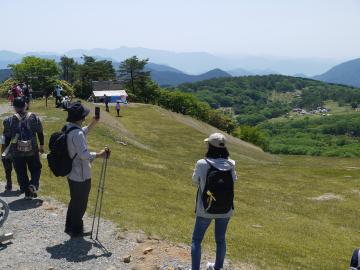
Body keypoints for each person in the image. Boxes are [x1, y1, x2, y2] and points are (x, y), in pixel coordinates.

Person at [191, 133, 237, 270]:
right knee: (220, 240)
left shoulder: (202, 163)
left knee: (197, 240)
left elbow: (195, 180)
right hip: (226, 209)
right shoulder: (231, 164)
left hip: (205, 208)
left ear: (210, 146)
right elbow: (234, 180)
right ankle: (218, 267)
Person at [64, 102, 110, 237]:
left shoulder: (68, 128)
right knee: (81, 203)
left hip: (71, 172)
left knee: (74, 200)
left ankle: (70, 227)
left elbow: (80, 133)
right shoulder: (76, 133)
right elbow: (84, 155)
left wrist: (92, 124)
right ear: (80, 118)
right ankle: (77, 230)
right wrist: (100, 155)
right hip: (81, 174)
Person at [3, 97, 44, 198]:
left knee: (21, 172)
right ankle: (33, 184)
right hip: (32, 149)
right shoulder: (34, 117)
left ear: (14, 107)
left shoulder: (8, 120)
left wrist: (7, 151)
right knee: (36, 168)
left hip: (16, 151)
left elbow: (7, 137)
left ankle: (27, 193)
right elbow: (40, 133)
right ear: (25, 105)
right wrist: (41, 145)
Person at [1, 127, 13, 191]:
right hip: (15, 154)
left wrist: (2, 155)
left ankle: (9, 184)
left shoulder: (3, 136)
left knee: (8, 171)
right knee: (19, 170)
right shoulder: (15, 134)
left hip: (6, 155)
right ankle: (22, 185)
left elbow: (2, 146)